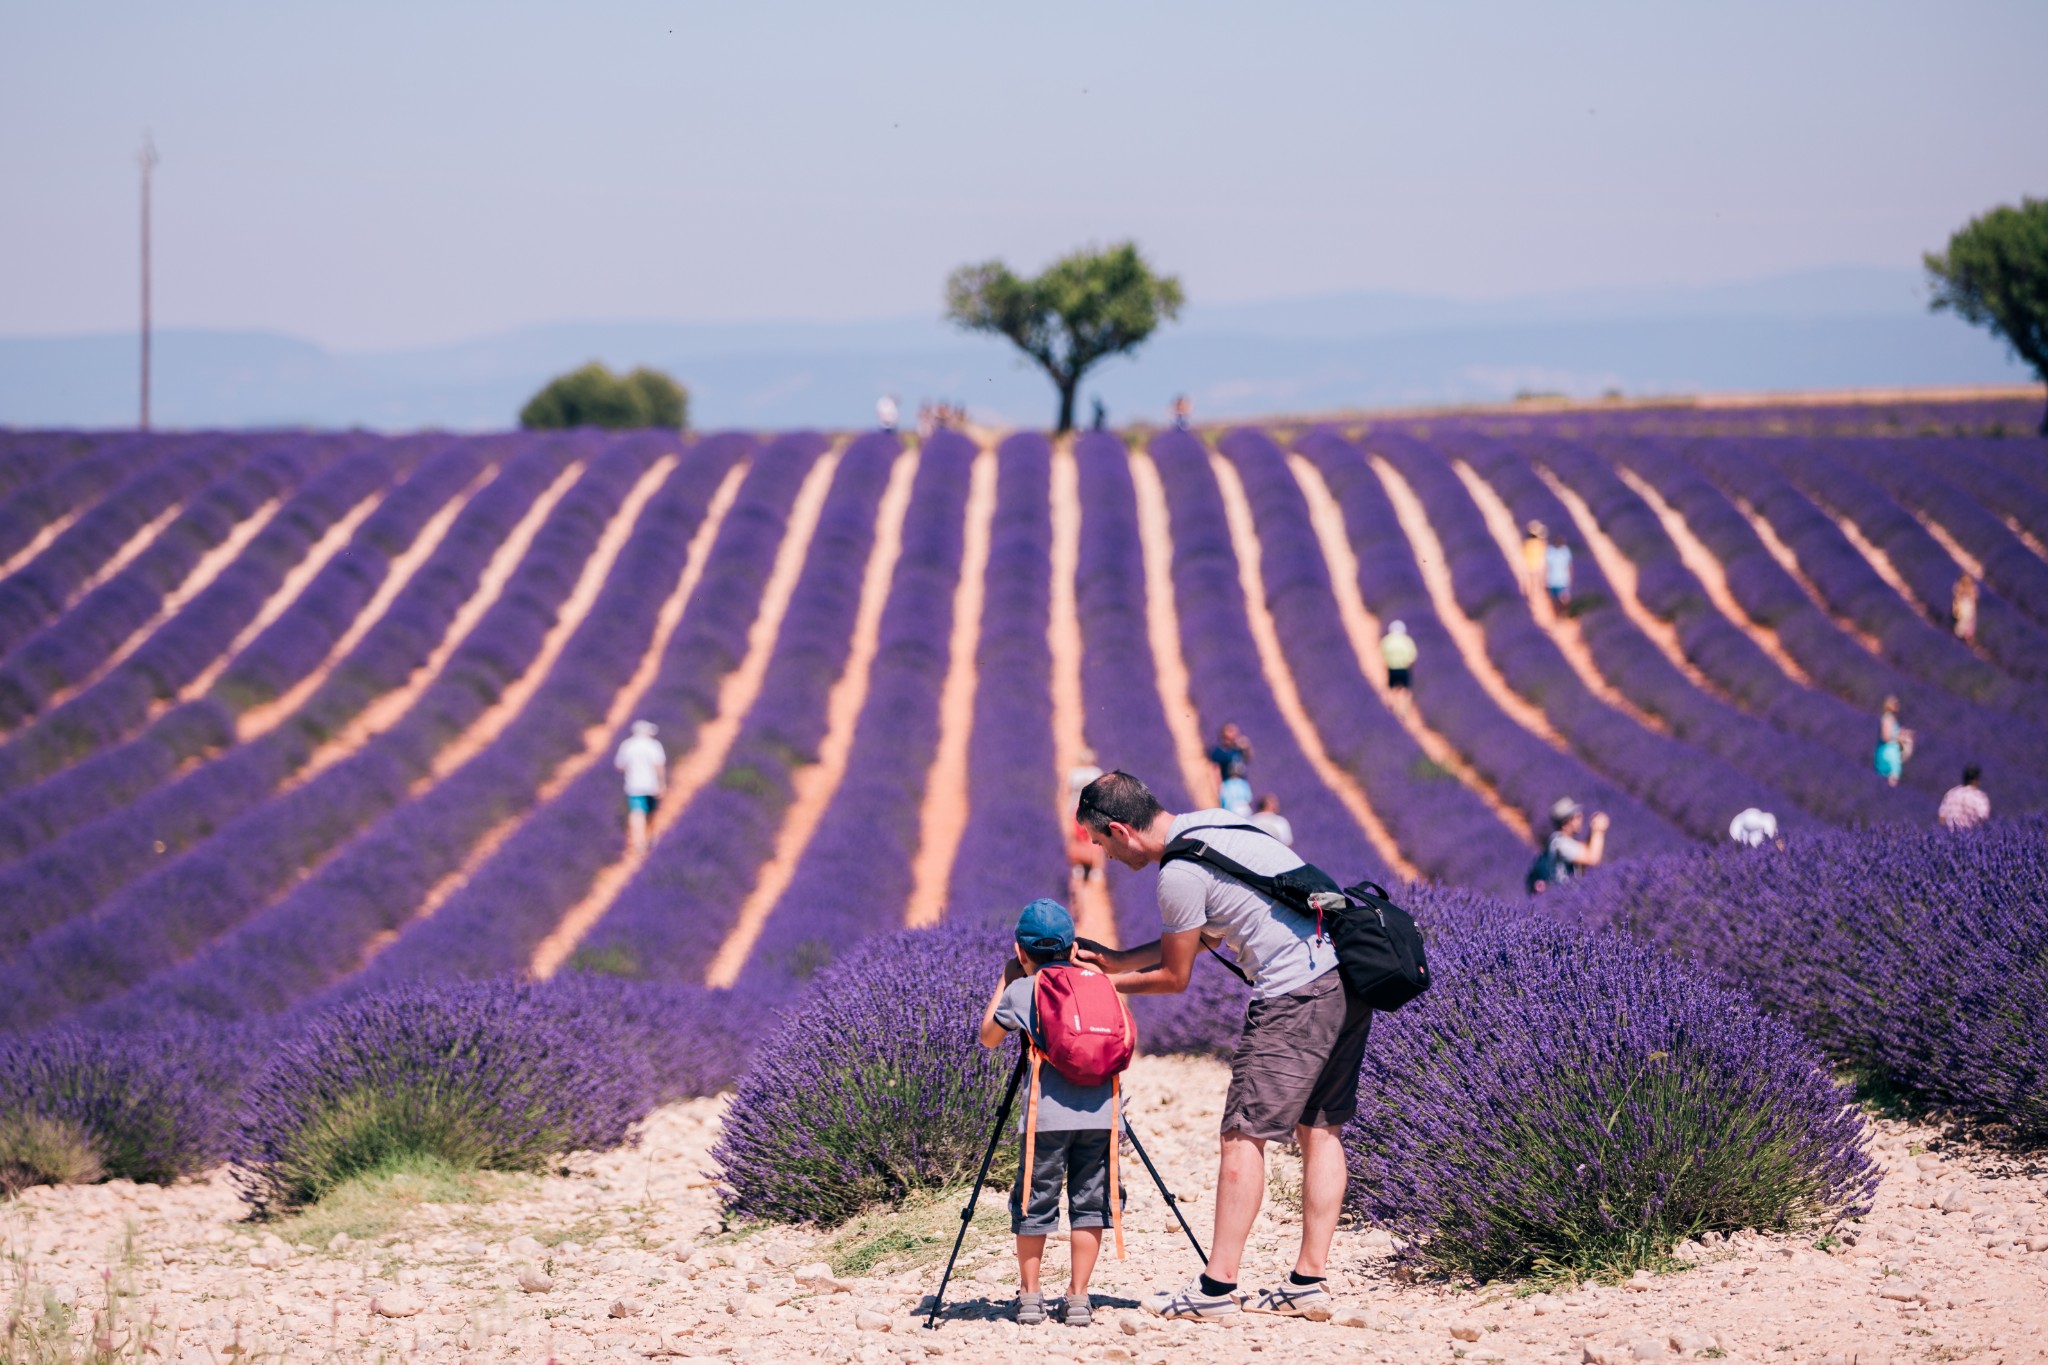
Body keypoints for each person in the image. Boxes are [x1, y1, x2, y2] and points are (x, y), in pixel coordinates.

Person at [1074, 771, 1365, 1324]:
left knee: (1243, 1134)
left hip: (1294, 994)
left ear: (1119, 829)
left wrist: (1099, 983)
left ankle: (1215, 1289)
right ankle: (1308, 1282)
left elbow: (1175, 976)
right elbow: (1205, 934)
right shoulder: (1213, 824)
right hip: (1344, 979)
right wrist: (1115, 959)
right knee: (1321, 1127)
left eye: (1101, 841)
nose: (1103, 855)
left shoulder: (1178, 873)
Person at [979, 899, 1124, 1328]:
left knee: (1034, 1202)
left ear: (1022, 951)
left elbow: (989, 1037)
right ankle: (1078, 1298)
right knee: (1091, 1205)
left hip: (1047, 1119)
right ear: (1072, 945)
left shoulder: (1025, 988)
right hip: (1102, 1115)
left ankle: (1029, 1296)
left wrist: (1006, 980)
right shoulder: (1099, 982)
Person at [614, 719, 667, 853]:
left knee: (637, 813)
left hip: (634, 785)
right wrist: (662, 783)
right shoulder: (654, 745)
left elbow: (619, 766)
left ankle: (639, 843)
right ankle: (649, 838)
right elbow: (659, 766)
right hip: (651, 786)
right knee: (651, 813)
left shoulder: (627, 745)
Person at [1066, 749, 1107, 893]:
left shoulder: (1074, 774)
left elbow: (1068, 792)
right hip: (1092, 811)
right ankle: (1096, 869)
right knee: (1096, 839)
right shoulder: (1096, 773)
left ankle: (1078, 867)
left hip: (1077, 809)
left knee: (1078, 838)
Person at [1544, 797, 1608, 884]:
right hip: (1565, 895)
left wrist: (1592, 832)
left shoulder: (1561, 840)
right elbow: (1593, 859)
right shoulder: (1560, 844)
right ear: (1565, 824)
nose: (1581, 817)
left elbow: (1585, 849)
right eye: (1577, 817)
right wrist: (1598, 831)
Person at [1208, 723, 1253, 816]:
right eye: (1231, 730)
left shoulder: (1238, 749)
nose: (1235, 733)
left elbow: (1249, 758)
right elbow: (1215, 771)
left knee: (1246, 812)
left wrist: (1247, 747)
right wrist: (1218, 789)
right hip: (1229, 785)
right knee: (1231, 813)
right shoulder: (1219, 751)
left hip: (1241, 783)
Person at [1380, 620, 1417, 719]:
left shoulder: (1387, 640)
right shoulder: (1407, 641)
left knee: (1392, 689)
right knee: (1405, 690)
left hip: (1391, 668)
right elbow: (1412, 656)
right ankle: (1404, 711)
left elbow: (1382, 655)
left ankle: (1392, 709)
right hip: (1404, 668)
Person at [1937, 764, 1990, 831]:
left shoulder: (1951, 793)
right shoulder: (1979, 797)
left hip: (1949, 835)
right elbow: (1982, 818)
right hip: (1971, 835)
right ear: (1976, 780)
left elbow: (1942, 817)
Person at [1875, 696, 1913, 787]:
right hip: (1889, 751)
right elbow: (1886, 737)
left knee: (1890, 777)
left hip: (1892, 750)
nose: (1897, 706)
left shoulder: (1891, 718)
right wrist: (1899, 738)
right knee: (1891, 777)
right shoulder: (1887, 718)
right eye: (1895, 704)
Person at [1521, 521, 1548, 602]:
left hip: (1530, 565)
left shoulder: (1527, 543)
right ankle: (1538, 598)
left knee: (1532, 582)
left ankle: (1531, 597)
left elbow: (1523, 552)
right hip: (1537, 565)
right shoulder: (1540, 543)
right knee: (1539, 583)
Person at [1543, 539, 1574, 612]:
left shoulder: (1565, 551)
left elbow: (1569, 566)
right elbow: (1546, 566)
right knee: (1554, 600)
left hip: (1562, 580)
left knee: (1564, 600)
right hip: (1552, 581)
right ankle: (1556, 615)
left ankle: (1563, 613)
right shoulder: (1550, 551)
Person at [1952, 574, 1979, 644]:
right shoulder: (1960, 586)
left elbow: (1974, 598)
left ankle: (1965, 637)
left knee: (1967, 621)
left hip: (1967, 606)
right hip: (1963, 606)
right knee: (1964, 621)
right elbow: (1957, 596)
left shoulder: (1971, 588)